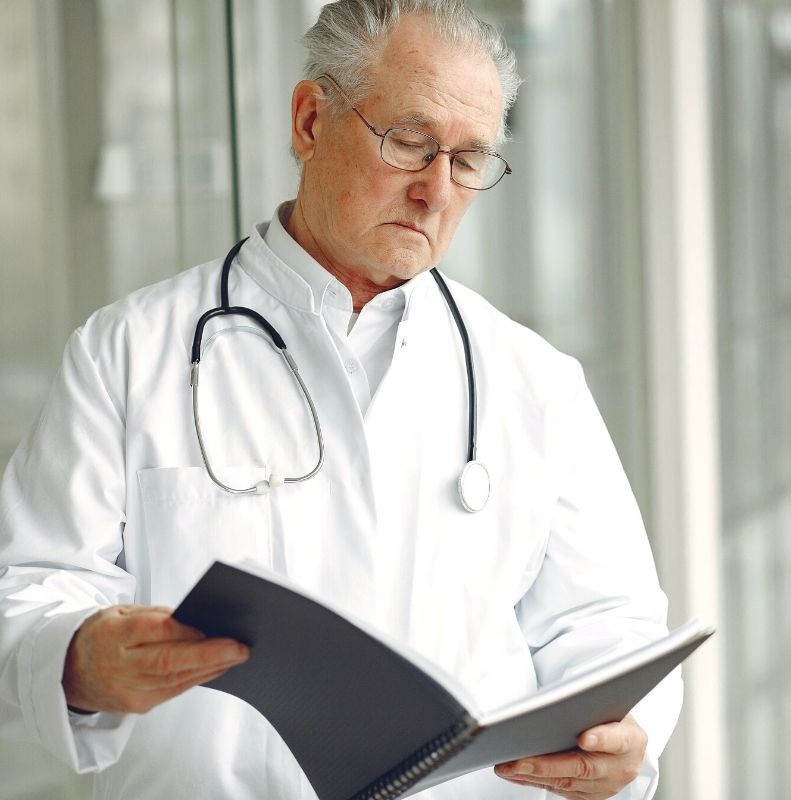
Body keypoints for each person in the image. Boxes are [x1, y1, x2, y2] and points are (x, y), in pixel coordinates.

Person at [0, 1, 681, 797]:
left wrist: (624, 735)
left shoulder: (536, 380)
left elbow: (609, 625)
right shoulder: (128, 352)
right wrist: (80, 659)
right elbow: (29, 588)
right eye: (411, 142)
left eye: (468, 160)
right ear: (309, 118)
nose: (436, 191)